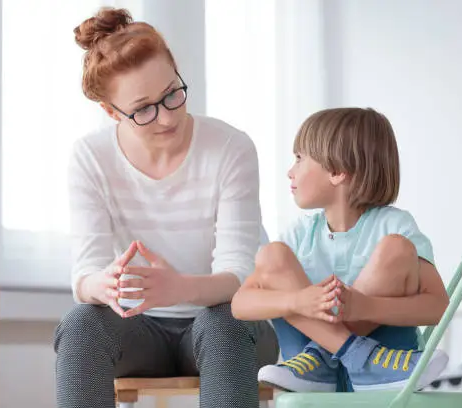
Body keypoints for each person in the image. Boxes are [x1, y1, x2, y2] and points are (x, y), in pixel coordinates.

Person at [53, 7, 279, 408]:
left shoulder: (230, 148)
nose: (167, 116)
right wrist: (101, 284)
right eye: (143, 109)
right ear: (111, 112)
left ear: (177, 72)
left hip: (224, 327)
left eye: (172, 93)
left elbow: (239, 276)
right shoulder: (90, 157)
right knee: (81, 324)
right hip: (138, 333)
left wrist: (179, 288)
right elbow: (83, 277)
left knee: (224, 319)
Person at [231, 107, 450, 393]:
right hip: (313, 376)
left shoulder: (395, 227)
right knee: (272, 255)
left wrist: (365, 306)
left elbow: (438, 308)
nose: (290, 171)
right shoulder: (299, 236)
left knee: (396, 248)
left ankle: (327, 358)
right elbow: (240, 304)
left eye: (299, 158)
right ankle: (346, 358)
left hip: (387, 376)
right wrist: (298, 301)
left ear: (336, 172)